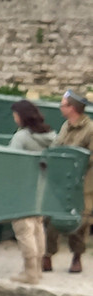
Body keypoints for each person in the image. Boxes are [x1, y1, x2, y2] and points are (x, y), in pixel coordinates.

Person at [44, 89, 93, 274]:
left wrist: (73, 161)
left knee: (80, 220)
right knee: (51, 216)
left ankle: (77, 257)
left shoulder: (90, 129)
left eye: (63, 104)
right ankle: (47, 255)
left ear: (72, 108)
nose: (60, 108)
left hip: (82, 183)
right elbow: (57, 146)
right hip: (61, 182)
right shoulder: (66, 126)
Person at [7, 101, 55, 284]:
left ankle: (30, 272)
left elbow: (11, 161)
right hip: (42, 187)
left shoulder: (22, 137)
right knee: (37, 227)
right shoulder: (50, 136)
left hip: (22, 187)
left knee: (23, 229)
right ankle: (38, 269)